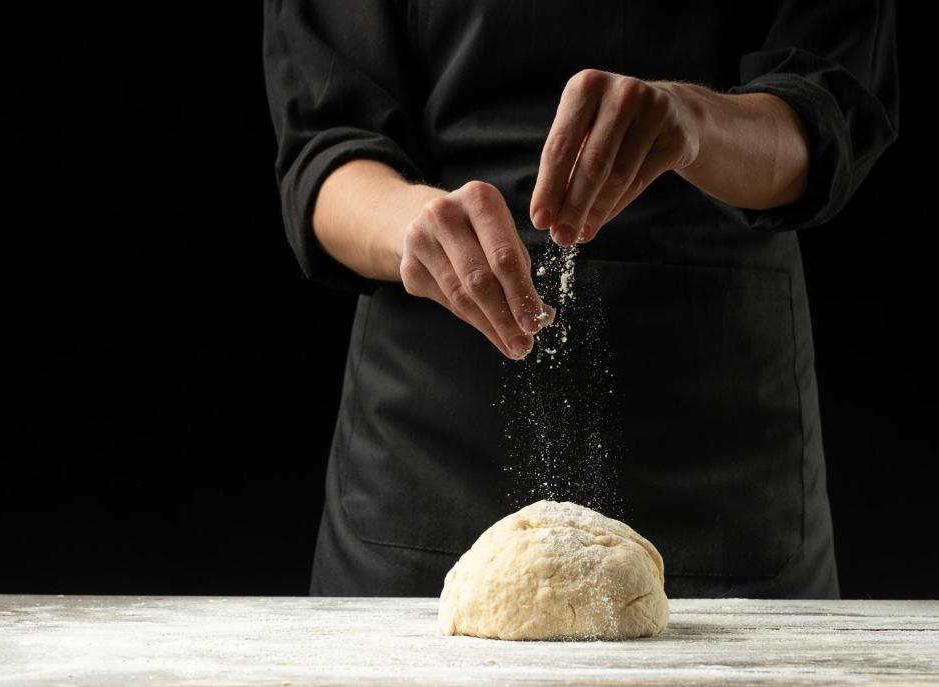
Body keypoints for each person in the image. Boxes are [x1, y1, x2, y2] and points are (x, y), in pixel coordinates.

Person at [262, 0, 898, 598]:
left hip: (715, 426)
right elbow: (324, 144)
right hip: (432, 426)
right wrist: (412, 224)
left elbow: (825, 115)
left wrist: (695, 123)